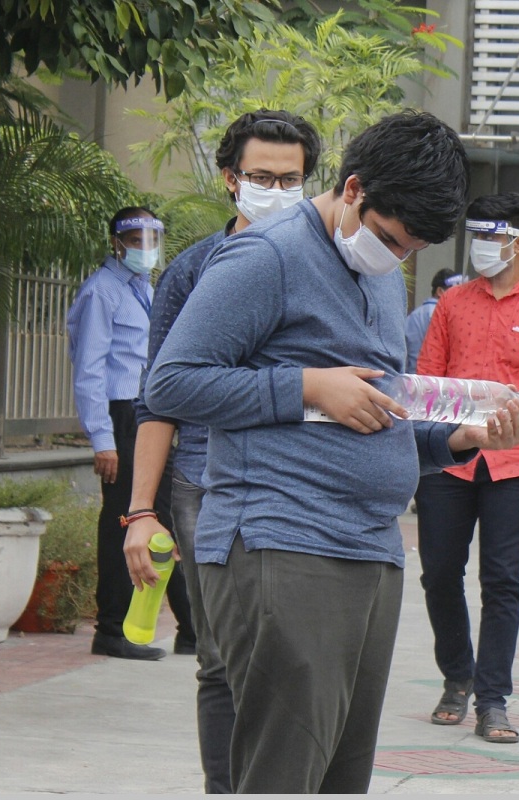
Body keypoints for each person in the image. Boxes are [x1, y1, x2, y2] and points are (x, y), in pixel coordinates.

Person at [144, 111, 519, 793]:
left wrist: (459, 437)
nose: (396, 257)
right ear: (353, 189)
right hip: (285, 543)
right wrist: (304, 385)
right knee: (283, 775)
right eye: (391, 239)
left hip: (370, 551)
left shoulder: (377, 271)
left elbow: (375, 409)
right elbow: (172, 383)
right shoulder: (266, 257)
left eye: (412, 251)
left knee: (341, 778)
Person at [123, 109, 321, 793]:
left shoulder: (331, 266)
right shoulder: (192, 271)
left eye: (290, 179)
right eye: (262, 176)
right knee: (219, 658)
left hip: (298, 483)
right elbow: (158, 398)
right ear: (231, 179)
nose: (276, 189)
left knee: (295, 658)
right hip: (203, 483)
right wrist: (140, 511)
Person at [415, 192, 519, 744]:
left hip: (517, 464)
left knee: (502, 581)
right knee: (439, 572)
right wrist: (419, 454)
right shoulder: (452, 304)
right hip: (448, 459)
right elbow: (427, 385)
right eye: (477, 236)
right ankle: (456, 675)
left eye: (493, 236)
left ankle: (492, 699)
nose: (482, 246)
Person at [67, 206, 193, 662]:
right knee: (122, 520)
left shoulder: (144, 289)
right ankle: (111, 628)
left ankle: (192, 628)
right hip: (120, 416)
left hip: (147, 413)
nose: (145, 248)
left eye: (151, 239)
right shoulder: (102, 291)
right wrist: (102, 439)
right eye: (135, 240)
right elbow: (89, 370)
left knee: (170, 516)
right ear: (116, 243)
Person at [405, 268, 464, 374]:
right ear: (440, 291)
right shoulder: (445, 315)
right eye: (456, 291)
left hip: (413, 378)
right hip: (436, 379)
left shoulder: (413, 315)